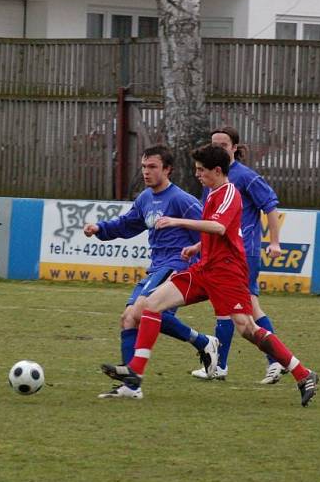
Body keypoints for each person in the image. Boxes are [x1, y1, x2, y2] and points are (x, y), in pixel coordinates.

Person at [101, 144, 319, 407]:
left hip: (228, 273)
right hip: (204, 268)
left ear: (217, 170)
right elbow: (218, 232)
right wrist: (197, 246)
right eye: (196, 170)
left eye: (202, 170)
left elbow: (218, 226)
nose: (198, 175)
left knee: (247, 328)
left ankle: (303, 373)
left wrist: (177, 221)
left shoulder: (229, 192)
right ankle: (135, 370)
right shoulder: (212, 192)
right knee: (150, 304)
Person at [84, 145, 220, 399]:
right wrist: (99, 229)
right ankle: (131, 386)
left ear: (167, 170)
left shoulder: (182, 200)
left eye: (153, 167)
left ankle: (137, 376)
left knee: (142, 310)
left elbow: (211, 230)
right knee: (128, 318)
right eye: (144, 167)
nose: (146, 172)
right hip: (157, 267)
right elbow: (126, 225)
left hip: (178, 266)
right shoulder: (145, 199)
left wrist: (201, 260)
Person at [191, 126, 286, 384]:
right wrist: (200, 247)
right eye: (214, 144)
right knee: (242, 308)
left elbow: (270, 207)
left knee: (244, 308)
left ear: (234, 148)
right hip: (221, 253)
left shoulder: (245, 177)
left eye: (224, 145)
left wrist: (275, 242)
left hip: (243, 253)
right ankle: (224, 365)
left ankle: (272, 361)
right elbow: (214, 220)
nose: (218, 148)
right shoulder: (211, 176)